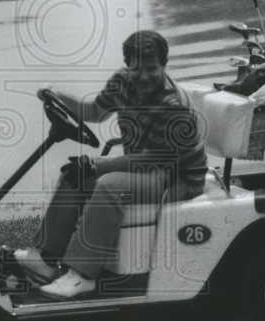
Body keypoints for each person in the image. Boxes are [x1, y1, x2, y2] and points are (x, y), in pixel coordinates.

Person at [16, 30, 208, 299]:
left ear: (164, 65)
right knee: (74, 175)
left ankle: (82, 276)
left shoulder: (172, 105)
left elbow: (154, 159)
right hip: (147, 166)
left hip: (178, 178)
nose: (143, 76)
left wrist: (98, 165)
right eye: (136, 68)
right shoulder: (122, 83)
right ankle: (46, 259)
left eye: (151, 69)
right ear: (127, 65)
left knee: (110, 186)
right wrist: (57, 95)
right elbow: (94, 111)